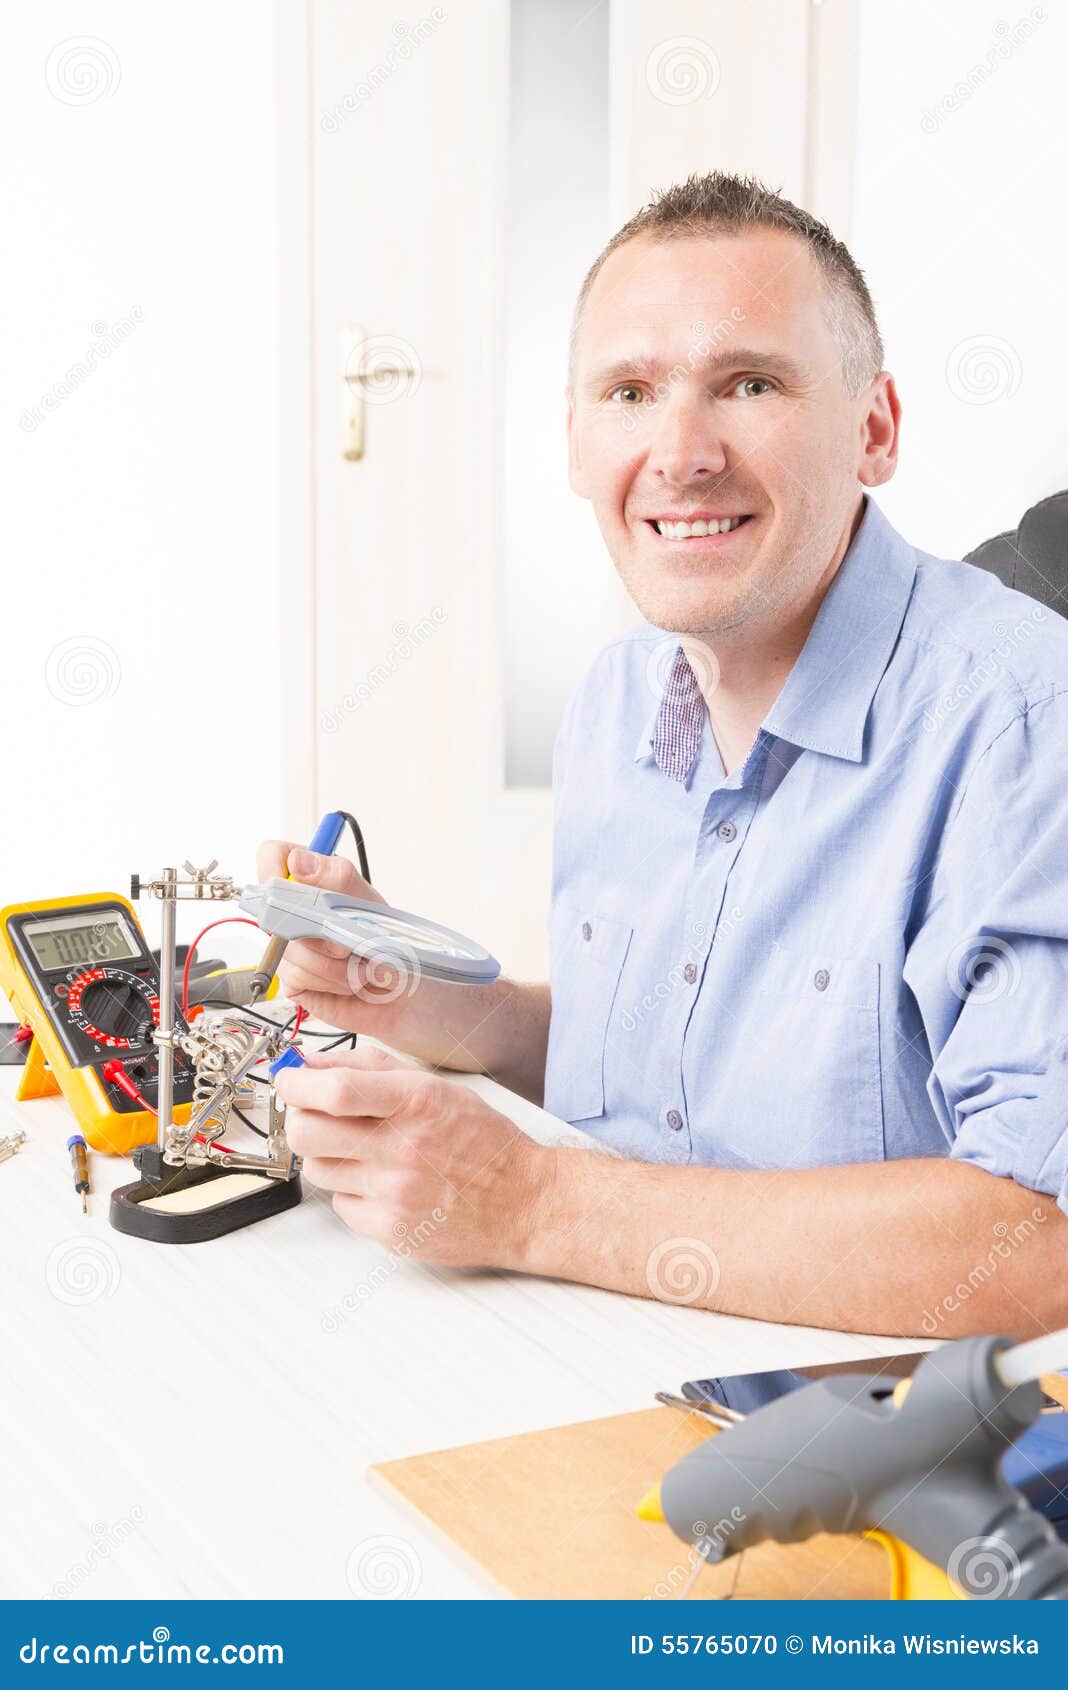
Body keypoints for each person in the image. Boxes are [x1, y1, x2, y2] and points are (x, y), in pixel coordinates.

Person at [266, 171, 1068, 1340]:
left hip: (846, 1427)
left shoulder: (1018, 716)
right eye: (631, 391)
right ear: (578, 445)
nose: (682, 452)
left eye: (749, 383)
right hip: (590, 1348)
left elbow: (1035, 1239)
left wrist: (531, 1201)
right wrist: (449, 1009)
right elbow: (673, 1088)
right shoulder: (617, 702)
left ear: (875, 429)